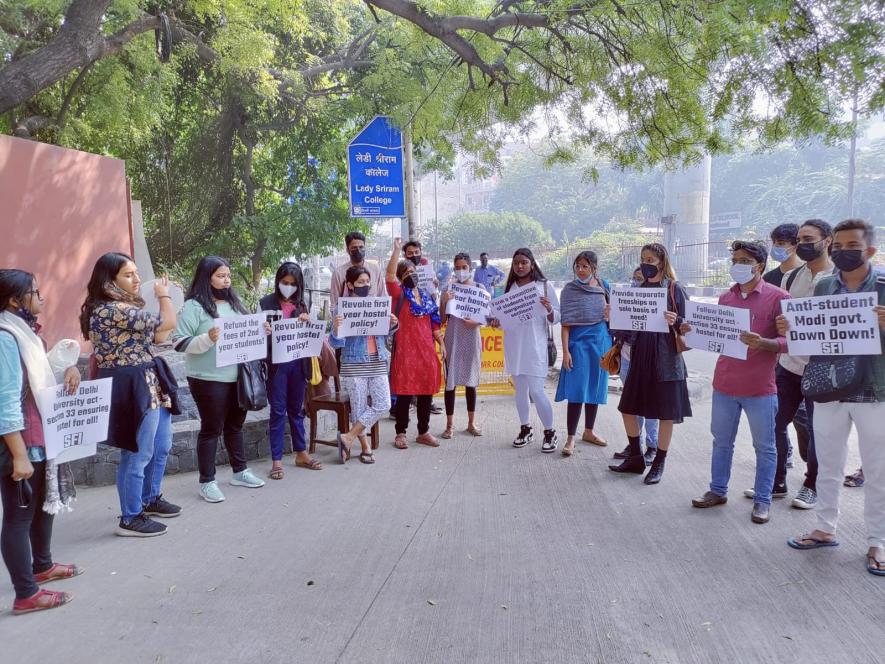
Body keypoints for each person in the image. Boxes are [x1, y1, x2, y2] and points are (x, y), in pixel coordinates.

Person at [782, 219, 885, 577]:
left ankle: (878, 540)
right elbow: (809, 337)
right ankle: (825, 528)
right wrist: (791, 329)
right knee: (826, 461)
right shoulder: (824, 286)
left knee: (877, 468)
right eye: (838, 246)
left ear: (870, 250)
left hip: (875, 391)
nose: (842, 251)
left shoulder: (884, 287)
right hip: (827, 387)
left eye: (851, 246)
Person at [689, 241, 790, 524]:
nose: (738, 265)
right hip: (724, 384)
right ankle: (717, 490)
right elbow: (713, 335)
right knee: (722, 442)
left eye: (744, 260)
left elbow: (790, 341)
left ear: (759, 265)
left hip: (760, 388)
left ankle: (762, 500)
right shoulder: (726, 298)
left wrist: (765, 343)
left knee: (765, 447)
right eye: (735, 259)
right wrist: (692, 330)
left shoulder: (780, 297)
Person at [81, 253, 182, 537]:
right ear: (109, 280)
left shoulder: (127, 307)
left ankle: (149, 499)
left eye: (137, 273)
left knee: (161, 445)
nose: (137, 280)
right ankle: (130, 517)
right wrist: (165, 296)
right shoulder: (110, 309)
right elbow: (168, 321)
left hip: (149, 379)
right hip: (131, 384)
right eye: (128, 275)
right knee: (137, 452)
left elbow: (160, 336)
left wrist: (168, 298)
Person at [1, 269, 82, 613]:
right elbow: (5, 400)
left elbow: (37, 376)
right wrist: (18, 455)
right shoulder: (5, 337)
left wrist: (69, 370)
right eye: (35, 292)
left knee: (42, 505)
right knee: (19, 515)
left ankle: (42, 565)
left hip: (39, 432)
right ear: (14, 301)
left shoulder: (25, 333)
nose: (42, 298)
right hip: (19, 440)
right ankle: (26, 594)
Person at [748, 219, 833, 508]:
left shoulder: (839, 278)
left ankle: (812, 485)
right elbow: (780, 316)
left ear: (827, 240)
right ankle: (777, 480)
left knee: (818, 429)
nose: (802, 244)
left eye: (809, 238)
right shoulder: (790, 278)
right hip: (789, 364)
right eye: (800, 239)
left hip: (823, 368)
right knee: (774, 423)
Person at [171, 256, 266, 503]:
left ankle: (240, 471)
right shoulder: (194, 306)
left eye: (228, 276)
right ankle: (207, 481)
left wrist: (261, 331)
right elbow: (179, 342)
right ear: (207, 278)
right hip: (207, 378)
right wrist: (207, 339)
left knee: (235, 426)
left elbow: (246, 332)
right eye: (220, 276)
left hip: (237, 377)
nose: (226, 281)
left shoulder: (235, 303)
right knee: (211, 428)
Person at [609, 243, 691, 484]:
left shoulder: (675, 290)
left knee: (666, 414)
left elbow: (689, 326)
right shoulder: (638, 289)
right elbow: (625, 326)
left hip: (666, 359)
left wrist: (676, 320)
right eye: (643, 259)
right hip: (640, 356)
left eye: (651, 259)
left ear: (662, 262)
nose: (646, 263)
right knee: (628, 409)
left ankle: (658, 462)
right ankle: (635, 456)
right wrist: (612, 316)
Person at [489, 248, 561, 452]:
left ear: (532, 263)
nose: (519, 266)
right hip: (514, 345)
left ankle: (550, 432)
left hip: (535, 346)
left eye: (524, 262)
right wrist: (496, 321)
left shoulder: (544, 286)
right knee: (520, 391)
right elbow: (504, 319)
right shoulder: (509, 287)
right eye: (516, 263)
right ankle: (525, 428)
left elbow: (557, 317)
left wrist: (548, 309)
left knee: (537, 391)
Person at [329, 266, 397, 464]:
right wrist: (336, 328)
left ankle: (348, 437)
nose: (365, 285)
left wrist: (391, 324)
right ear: (350, 285)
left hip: (377, 360)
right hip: (353, 362)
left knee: (383, 403)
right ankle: (365, 448)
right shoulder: (340, 310)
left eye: (367, 282)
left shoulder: (377, 305)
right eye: (360, 282)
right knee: (358, 407)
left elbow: (384, 334)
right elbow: (335, 343)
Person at [259, 262, 320, 479]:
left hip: (298, 363)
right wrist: (263, 331)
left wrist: (307, 322)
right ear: (278, 282)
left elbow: (311, 333)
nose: (289, 287)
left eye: (293, 284)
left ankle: (301, 453)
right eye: (285, 283)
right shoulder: (265, 303)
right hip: (276, 366)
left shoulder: (303, 303)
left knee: (296, 409)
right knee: (277, 411)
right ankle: (276, 460)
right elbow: (256, 337)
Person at [386, 238, 444, 449]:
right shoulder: (399, 294)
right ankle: (400, 432)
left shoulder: (427, 296)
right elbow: (390, 275)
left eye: (413, 272)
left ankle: (423, 431)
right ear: (401, 279)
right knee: (404, 392)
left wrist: (440, 341)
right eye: (406, 274)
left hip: (427, 351)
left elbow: (434, 322)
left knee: (426, 391)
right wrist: (395, 252)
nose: (410, 275)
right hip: (406, 351)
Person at [555, 251, 612, 456]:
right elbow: (566, 324)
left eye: (585, 266)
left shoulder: (605, 287)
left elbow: (615, 317)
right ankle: (570, 438)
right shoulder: (569, 290)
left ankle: (589, 431)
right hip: (578, 344)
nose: (580, 270)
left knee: (594, 388)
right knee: (577, 390)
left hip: (600, 343)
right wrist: (566, 352)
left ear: (594, 268)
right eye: (577, 266)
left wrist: (610, 315)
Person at [612, 268, 659, 465]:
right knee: (632, 403)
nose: (635, 282)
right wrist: (612, 315)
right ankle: (635, 445)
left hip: (648, 359)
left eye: (640, 279)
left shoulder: (656, 302)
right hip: (626, 357)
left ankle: (652, 446)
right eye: (634, 278)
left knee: (649, 405)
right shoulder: (624, 301)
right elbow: (615, 330)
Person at [438, 253, 484, 439]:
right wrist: (444, 301)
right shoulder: (448, 289)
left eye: (464, 267)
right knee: (451, 382)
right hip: (453, 338)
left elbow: (485, 316)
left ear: (470, 268)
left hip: (472, 337)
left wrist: (476, 322)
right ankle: (449, 425)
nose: (461, 270)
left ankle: (471, 423)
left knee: (471, 382)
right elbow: (441, 319)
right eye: (457, 267)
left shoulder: (479, 288)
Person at [402, 240, 442, 415]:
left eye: (416, 252)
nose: (414, 255)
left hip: (426, 332)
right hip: (408, 336)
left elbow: (432, 305)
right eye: (410, 253)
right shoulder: (401, 283)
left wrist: (435, 287)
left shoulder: (427, 269)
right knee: (408, 371)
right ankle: (409, 401)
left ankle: (427, 402)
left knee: (427, 370)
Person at [329, 231, 386, 311]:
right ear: (348, 250)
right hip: (348, 320)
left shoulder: (375, 270)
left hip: (372, 319)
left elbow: (382, 298)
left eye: (361, 247)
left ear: (365, 248)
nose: (358, 250)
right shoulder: (339, 273)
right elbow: (334, 304)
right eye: (354, 248)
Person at [763, 223, 802, 287]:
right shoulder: (768, 278)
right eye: (773, 242)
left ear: (796, 246)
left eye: (781, 243)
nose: (775, 246)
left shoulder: (806, 275)